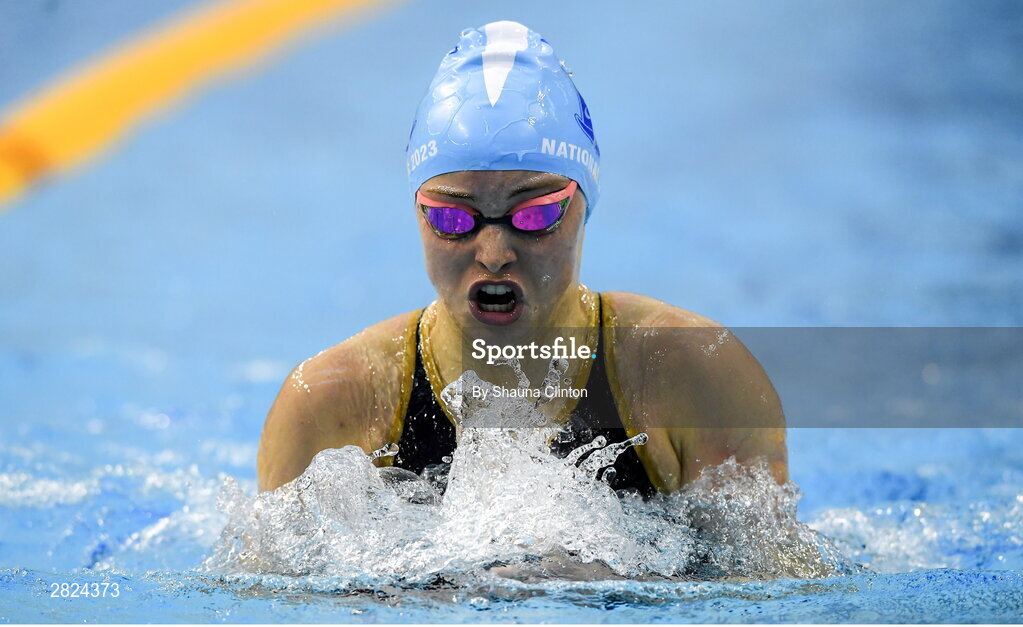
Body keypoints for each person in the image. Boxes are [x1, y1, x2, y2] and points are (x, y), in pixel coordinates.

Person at [257, 21, 787, 495]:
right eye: (452, 219)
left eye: (533, 216)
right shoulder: (330, 407)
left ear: (584, 205)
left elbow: (766, 595)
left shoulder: (696, 378)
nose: (492, 255)